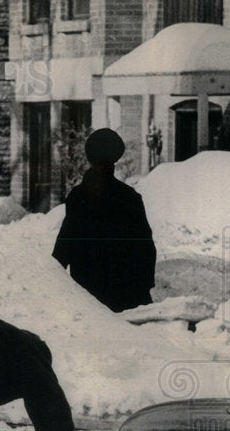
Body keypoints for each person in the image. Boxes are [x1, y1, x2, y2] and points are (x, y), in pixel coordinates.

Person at [52, 128, 157, 312]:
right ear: (116, 158)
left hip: (88, 300)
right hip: (126, 297)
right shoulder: (129, 197)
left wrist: (54, 284)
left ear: (88, 157)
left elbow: (65, 245)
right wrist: (142, 290)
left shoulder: (78, 197)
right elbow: (145, 248)